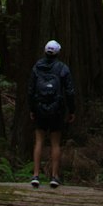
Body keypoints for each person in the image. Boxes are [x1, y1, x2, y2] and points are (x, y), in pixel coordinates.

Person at [28, 39, 75, 188]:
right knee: (55, 143)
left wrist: (32, 108)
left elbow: (30, 90)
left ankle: (35, 175)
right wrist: (72, 110)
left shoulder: (37, 67)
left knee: (39, 141)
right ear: (58, 53)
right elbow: (69, 91)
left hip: (40, 109)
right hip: (56, 110)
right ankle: (55, 177)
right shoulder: (63, 68)